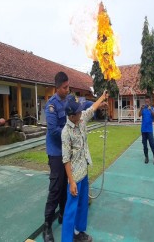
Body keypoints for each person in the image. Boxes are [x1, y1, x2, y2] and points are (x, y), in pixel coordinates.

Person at [42, 71, 97, 242]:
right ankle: (47, 225)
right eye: (65, 88)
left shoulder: (69, 100)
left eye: (68, 87)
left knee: (70, 188)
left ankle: (65, 216)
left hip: (71, 154)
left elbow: (83, 102)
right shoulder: (51, 105)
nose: (68, 90)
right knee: (56, 188)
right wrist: (70, 137)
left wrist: (96, 102)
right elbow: (53, 131)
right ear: (57, 88)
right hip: (57, 153)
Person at [61, 91, 108, 242]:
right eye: (79, 111)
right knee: (70, 210)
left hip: (84, 170)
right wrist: (72, 182)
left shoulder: (81, 120)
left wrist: (102, 97)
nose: (82, 112)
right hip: (74, 175)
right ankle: (67, 239)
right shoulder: (66, 132)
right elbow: (65, 159)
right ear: (71, 115)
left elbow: (92, 108)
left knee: (83, 206)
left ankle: (78, 232)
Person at [138, 95, 154, 165]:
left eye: (148, 101)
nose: (147, 103)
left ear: (150, 102)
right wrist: (141, 109)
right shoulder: (143, 109)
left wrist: (150, 110)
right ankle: (146, 157)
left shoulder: (152, 108)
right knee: (144, 145)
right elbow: (139, 115)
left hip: (149, 130)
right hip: (143, 130)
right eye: (146, 101)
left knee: (152, 144)